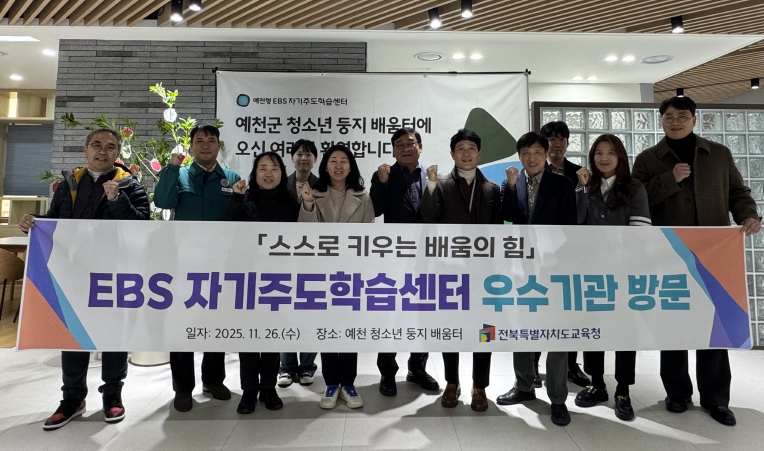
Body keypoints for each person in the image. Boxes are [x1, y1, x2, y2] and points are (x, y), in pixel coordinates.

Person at [632, 96, 761, 427]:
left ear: (694, 118)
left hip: (713, 252)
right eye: (668, 117)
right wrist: (669, 179)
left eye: (682, 116)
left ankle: (716, 399)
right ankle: (677, 393)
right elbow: (636, 198)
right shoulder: (648, 159)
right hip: (667, 253)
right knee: (673, 323)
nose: (675, 122)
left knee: (713, 324)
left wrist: (748, 215)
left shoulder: (718, 154)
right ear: (661, 121)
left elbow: (737, 192)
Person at [19, 128, 149, 430]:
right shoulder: (68, 185)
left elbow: (142, 225)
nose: (103, 151)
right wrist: (34, 224)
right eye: (97, 145)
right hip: (73, 270)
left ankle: (112, 394)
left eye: (110, 147)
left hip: (114, 271)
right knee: (73, 333)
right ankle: (72, 398)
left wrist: (117, 200)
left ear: (118, 153)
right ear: (85, 149)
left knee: (113, 333)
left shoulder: (130, 185)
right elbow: (55, 220)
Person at [153, 124, 241, 412]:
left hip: (221, 265)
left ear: (218, 146)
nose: (205, 145)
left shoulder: (231, 178)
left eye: (211, 140)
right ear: (191, 146)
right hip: (184, 265)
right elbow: (162, 201)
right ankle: (183, 388)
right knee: (182, 326)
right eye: (199, 140)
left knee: (215, 324)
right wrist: (171, 169)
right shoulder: (179, 175)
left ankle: (213, 381)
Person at [498, 132, 576, 426]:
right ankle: (524, 385)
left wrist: (556, 256)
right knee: (522, 326)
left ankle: (558, 398)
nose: (531, 158)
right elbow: (507, 216)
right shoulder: (514, 183)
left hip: (554, 267)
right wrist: (509, 186)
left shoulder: (562, 184)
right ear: (519, 156)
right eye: (526, 153)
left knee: (556, 332)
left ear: (546, 154)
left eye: (537, 152)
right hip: (522, 266)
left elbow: (571, 226)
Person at [420, 128, 501, 412]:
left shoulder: (492, 188)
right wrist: (430, 186)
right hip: (449, 271)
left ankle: (480, 386)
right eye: (460, 149)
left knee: (485, 328)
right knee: (450, 327)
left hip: (485, 273)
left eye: (471, 149)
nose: (466, 154)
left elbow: (499, 231)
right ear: (452, 154)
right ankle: (452, 383)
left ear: (479, 153)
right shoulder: (440, 185)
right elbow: (427, 217)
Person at [572, 134, 651, 421]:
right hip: (591, 273)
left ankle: (623, 391)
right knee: (592, 328)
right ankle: (596, 384)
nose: (604, 158)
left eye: (610, 153)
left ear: (620, 157)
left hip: (623, 272)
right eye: (598, 153)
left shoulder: (634, 188)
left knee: (624, 332)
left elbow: (641, 231)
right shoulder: (586, 186)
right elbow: (577, 224)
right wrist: (582, 190)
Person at [221, 152, 299, 413]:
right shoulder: (244, 199)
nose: (268, 173)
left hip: (278, 279)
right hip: (247, 279)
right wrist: (236, 198)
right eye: (262, 168)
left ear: (282, 173)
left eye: (274, 168)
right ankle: (248, 390)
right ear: (254, 173)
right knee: (248, 338)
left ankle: (268, 387)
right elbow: (224, 228)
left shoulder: (291, 203)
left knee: (271, 337)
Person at [298, 143, 375, 409]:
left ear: (351, 166)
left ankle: (349, 383)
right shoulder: (313, 193)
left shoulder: (363, 196)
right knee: (328, 327)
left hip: (352, 272)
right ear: (325, 166)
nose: (339, 165)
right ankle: (331, 383)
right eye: (333, 160)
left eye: (344, 161)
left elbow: (369, 236)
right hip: (322, 272)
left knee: (349, 328)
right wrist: (308, 203)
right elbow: (305, 234)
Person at [370, 127, 439, 396]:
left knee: (424, 313)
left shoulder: (433, 175)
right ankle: (388, 372)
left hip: (427, 256)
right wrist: (381, 182)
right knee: (392, 314)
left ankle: (417, 368)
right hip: (395, 256)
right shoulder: (385, 175)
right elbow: (376, 210)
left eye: (410, 143)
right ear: (393, 150)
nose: (405, 148)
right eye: (399, 145)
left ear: (420, 147)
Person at [538, 120, 589, 389]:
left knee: (570, 311)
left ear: (567, 143)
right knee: (537, 309)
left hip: (571, 253)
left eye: (561, 138)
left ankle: (571, 365)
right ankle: (532, 367)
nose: (556, 144)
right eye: (551, 138)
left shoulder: (578, 173)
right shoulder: (533, 170)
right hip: (539, 254)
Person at [279, 139, 319, 388]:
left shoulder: (322, 185)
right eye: (299, 154)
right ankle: (286, 367)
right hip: (282, 254)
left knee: (310, 310)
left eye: (308, 155)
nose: (304, 158)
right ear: (292, 158)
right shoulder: (280, 183)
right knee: (285, 310)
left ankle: (306, 366)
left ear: (315, 159)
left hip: (312, 256)